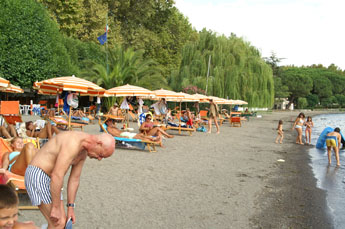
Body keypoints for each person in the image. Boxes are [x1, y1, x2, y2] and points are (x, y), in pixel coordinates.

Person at [24, 132, 115, 229]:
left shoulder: (83, 151)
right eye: (101, 155)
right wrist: (55, 207)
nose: (99, 159)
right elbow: (57, 175)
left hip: (51, 179)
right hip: (38, 174)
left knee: (62, 222)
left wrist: (70, 207)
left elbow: (74, 179)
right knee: (58, 223)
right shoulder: (73, 143)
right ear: (99, 143)